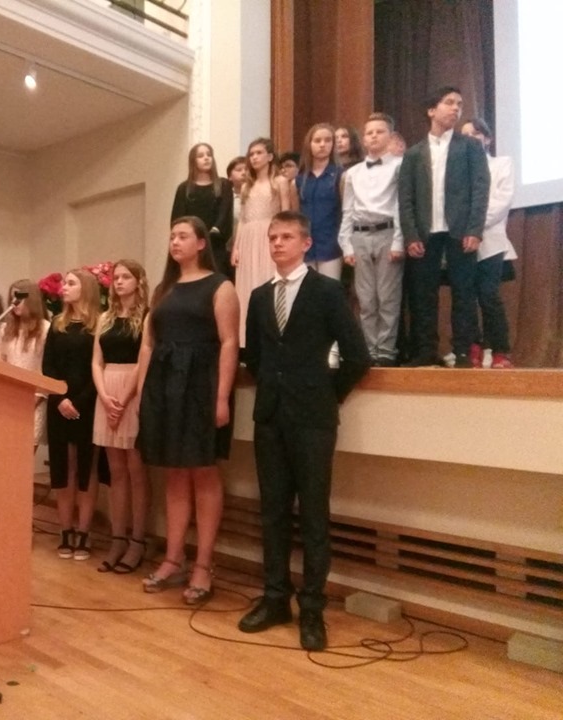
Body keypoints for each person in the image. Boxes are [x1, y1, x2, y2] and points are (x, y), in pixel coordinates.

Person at [238, 211, 369, 650]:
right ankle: (275, 598)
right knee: (272, 512)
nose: (277, 243)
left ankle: (312, 608)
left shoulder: (327, 291)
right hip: (270, 419)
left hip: (313, 419)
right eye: (272, 237)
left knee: (313, 515)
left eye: (286, 236)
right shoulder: (259, 297)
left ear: (306, 243)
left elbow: (357, 356)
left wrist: (327, 394)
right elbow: (255, 357)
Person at [138, 217, 239, 605]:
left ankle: (203, 565)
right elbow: (148, 345)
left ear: (200, 243)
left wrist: (221, 398)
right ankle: (173, 558)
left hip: (201, 386)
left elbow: (229, 343)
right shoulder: (163, 290)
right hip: (164, 386)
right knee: (175, 474)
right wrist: (144, 394)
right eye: (171, 237)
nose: (174, 242)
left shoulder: (220, 286)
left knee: (204, 472)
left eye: (182, 236)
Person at [398, 86, 490, 367]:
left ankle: (462, 351)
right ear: (431, 110)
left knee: (463, 292)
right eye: (449, 103)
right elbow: (406, 198)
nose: (455, 108)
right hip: (425, 233)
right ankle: (426, 350)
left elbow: (480, 190)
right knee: (423, 294)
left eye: (459, 104)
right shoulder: (414, 153)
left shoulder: (470, 147)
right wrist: (411, 234)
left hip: (460, 231)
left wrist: (474, 230)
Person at [91, 260, 150, 574]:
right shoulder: (105, 317)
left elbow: (143, 360)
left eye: (126, 277)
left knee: (136, 470)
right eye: (116, 277)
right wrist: (104, 396)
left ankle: (138, 540)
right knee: (116, 472)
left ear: (139, 281)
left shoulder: (148, 317)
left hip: (133, 391)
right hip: (107, 391)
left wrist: (124, 400)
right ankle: (117, 539)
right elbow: (96, 361)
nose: (119, 282)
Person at [42, 269, 102, 561]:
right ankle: (65, 530)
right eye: (63, 283)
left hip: (87, 404)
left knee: (85, 468)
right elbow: (48, 366)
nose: (63, 288)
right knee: (64, 468)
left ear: (86, 289)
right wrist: (61, 399)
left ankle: (84, 531)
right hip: (59, 405)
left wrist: (78, 401)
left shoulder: (99, 325)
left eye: (70, 283)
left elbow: (98, 367)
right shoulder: (57, 324)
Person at [338, 112, 405, 366]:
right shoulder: (353, 172)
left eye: (380, 132)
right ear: (364, 139)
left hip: (387, 232)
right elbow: (348, 210)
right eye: (369, 133)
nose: (374, 136)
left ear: (390, 136)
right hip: (360, 234)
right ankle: (369, 349)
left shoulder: (399, 166)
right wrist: (346, 244)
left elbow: (400, 206)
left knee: (387, 296)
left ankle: (386, 350)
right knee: (365, 298)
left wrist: (398, 241)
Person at [461, 117, 517, 369]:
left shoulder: (502, 164)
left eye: (475, 133)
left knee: (488, 295)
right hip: (461, 241)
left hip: (491, 239)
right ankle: (472, 346)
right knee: (465, 297)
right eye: (465, 135)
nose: (470, 138)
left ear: (487, 139)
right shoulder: (457, 171)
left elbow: (501, 203)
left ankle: (500, 350)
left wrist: (474, 225)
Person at [231, 137, 292, 346]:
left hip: (269, 236)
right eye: (251, 154)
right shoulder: (247, 185)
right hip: (248, 238)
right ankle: (248, 339)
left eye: (259, 153)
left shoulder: (279, 182)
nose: (254, 157)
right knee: (248, 286)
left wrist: (283, 238)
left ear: (270, 156)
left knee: (268, 281)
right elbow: (242, 219)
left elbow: (285, 213)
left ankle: (273, 336)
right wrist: (236, 247)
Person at [171, 142, 235, 280]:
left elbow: (225, 214)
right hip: (192, 246)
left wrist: (213, 231)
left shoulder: (223, 185)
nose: (206, 158)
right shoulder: (184, 188)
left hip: (216, 245)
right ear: (193, 161)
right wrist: (189, 238)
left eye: (209, 155)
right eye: (201, 156)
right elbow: (178, 220)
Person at [0, 279, 50, 449]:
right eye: (11, 298)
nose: (14, 302)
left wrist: (36, 398)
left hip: (34, 399)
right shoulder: (6, 329)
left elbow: (46, 367)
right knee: (7, 453)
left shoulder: (45, 329)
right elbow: (2, 363)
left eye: (18, 298)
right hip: (9, 400)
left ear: (31, 299)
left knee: (25, 453)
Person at [295, 123, 344, 281]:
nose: (322, 145)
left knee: (329, 288)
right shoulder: (300, 179)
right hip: (306, 245)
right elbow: (295, 214)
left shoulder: (340, 175)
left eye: (327, 140)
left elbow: (345, 211)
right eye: (317, 141)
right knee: (307, 289)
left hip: (331, 244)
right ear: (309, 144)